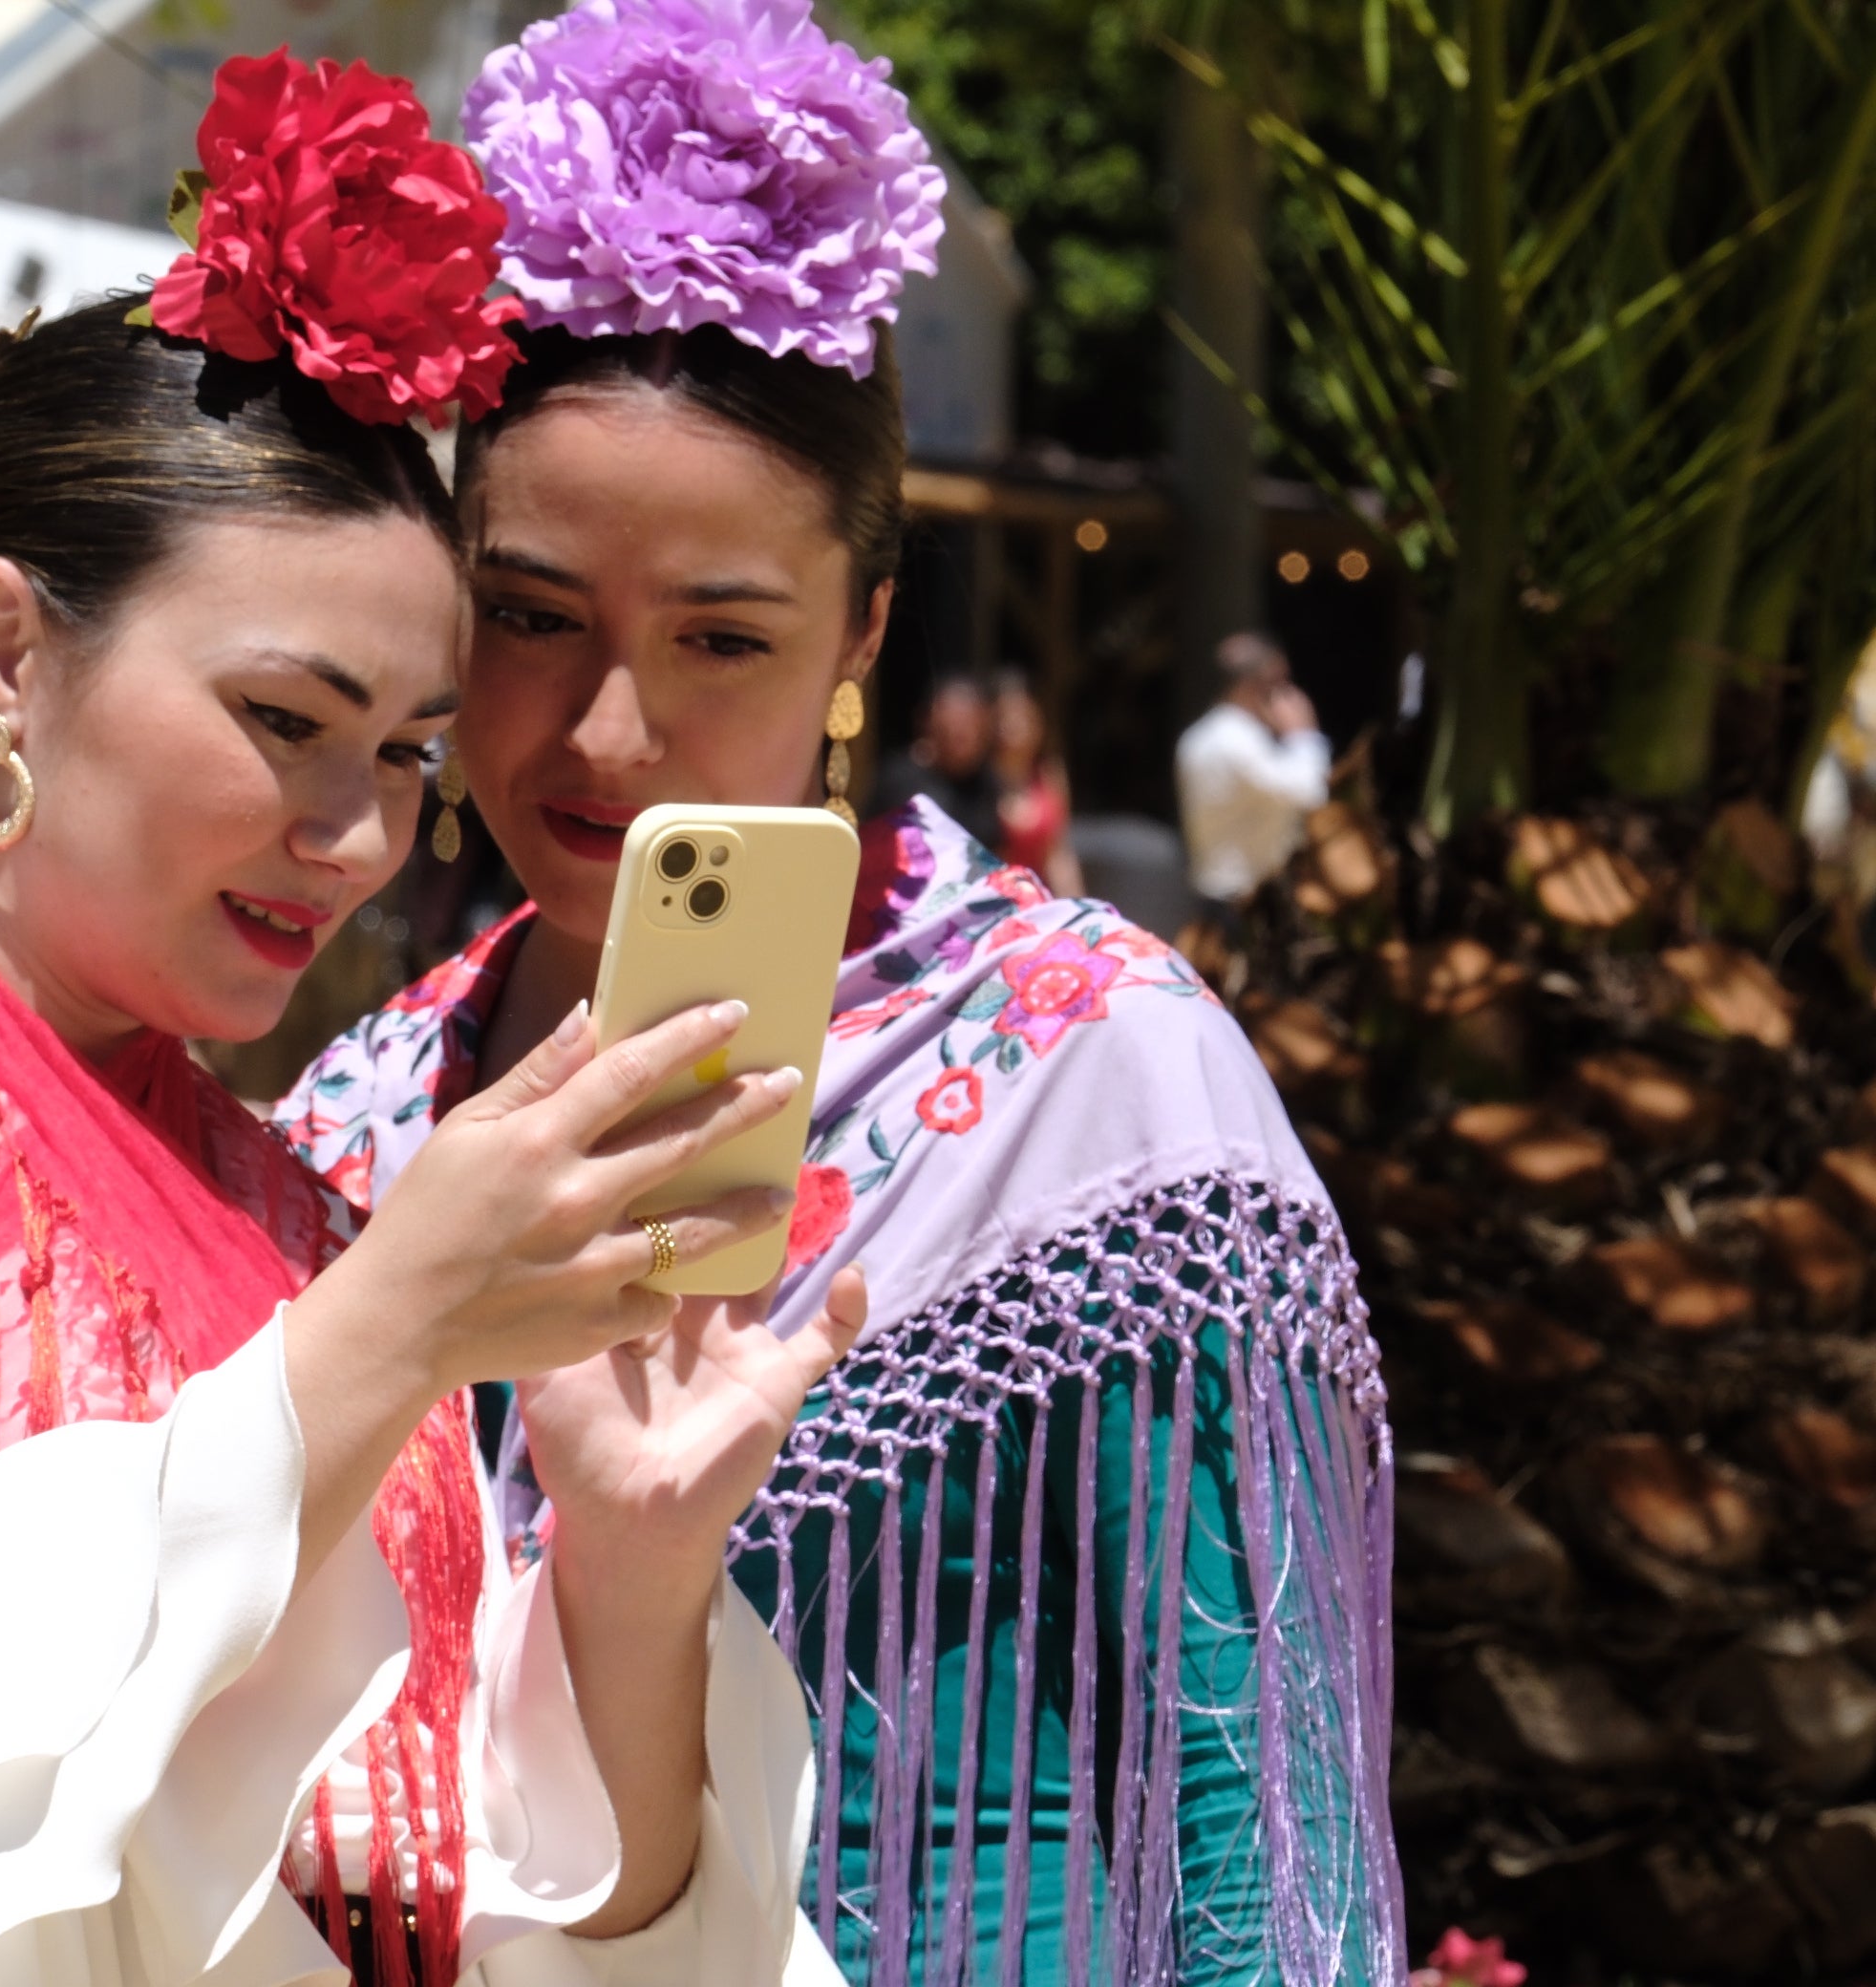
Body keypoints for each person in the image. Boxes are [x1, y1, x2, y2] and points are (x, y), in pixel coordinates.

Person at [0, 54, 862, 1987]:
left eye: (404, 752)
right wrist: (390, 1328)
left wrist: (630, 1574)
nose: (359, 833)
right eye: (286, 722)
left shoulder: (299, 1209)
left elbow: (494, 1913)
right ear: (3, 654)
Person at [280, 5, 1399, 1981]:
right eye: (531, 615)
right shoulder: (362, 1103)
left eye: (722, 635)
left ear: (863, 632)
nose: (609, 728)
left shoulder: (1103, 1073)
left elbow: (1261, 1825)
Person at [1175, 630, 1330, 908]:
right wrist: (1303, 735)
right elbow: (1312, 795)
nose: (1289, 695)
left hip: (1216, 895)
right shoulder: (1237, 741)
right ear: (1252, 686)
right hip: (1247, 902)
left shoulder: (1199, 737)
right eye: (1278, 684)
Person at [872, 674, 1002, 850]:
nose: (961, 740)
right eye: (952, 732)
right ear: (932, 725)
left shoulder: (989, 784)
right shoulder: (900, 781)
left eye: (968, 732)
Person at [991, 668, 1083, 896]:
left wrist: (1077, 906)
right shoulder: (983, 780)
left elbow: (1058, 854)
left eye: (1022, 716)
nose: (1013, 726)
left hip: (1041, 897)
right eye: (1005, 717)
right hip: (996, 900)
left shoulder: (1050, 773)